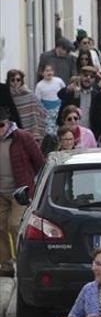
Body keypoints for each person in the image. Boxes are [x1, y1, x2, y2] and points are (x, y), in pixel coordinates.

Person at [0, 108, 44, 276]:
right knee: (0, 226)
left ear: (8, 123)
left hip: (21, 191)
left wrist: (35, 186)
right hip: (1, 191)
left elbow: (39, 162)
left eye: (1, 125)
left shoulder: (22, 137)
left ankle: (23, 261)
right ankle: (5, 264)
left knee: (15, 224)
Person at [6, 69, 48, 142]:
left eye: (18, 80)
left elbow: (41, 110)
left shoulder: (29, 94)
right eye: (13, 80)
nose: (15, 82)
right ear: (8, 81)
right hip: (15, 129)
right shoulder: (7, 96)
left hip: (32, 127)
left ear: (21, 80)